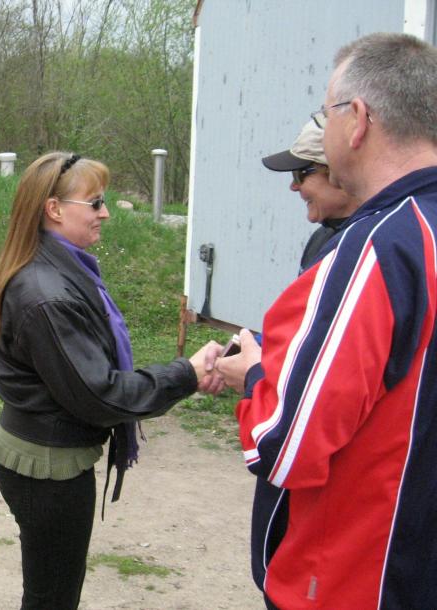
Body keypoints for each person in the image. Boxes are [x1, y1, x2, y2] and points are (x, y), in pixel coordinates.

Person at [217, 33, 437, 609]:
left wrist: (256, 376)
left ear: (356, 120)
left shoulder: (380, 247)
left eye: (325, 112)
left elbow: (284, 445)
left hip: (362, 579)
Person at [0, 151, 223, 610]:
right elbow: (100, 394)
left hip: (43, 452)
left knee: (52, 591)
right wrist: (186, 374)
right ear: (54, 209)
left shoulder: (58, 270)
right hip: (46, 468)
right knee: (52, 598)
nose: (105, 213)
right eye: (95, 203)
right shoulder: (48, 293)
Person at [248, 118, 361, 591]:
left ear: (338, 171)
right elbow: (307, 332)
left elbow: (327, 385)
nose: (294, 187)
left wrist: (253, 374)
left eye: (302, 174)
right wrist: (255, 345)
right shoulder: (325, 237)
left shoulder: (364, 250)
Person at [261, 118, 360, 273]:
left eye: (299, 175)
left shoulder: (378, 243)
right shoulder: (320, 239)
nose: (293, 186)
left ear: (336, 172)